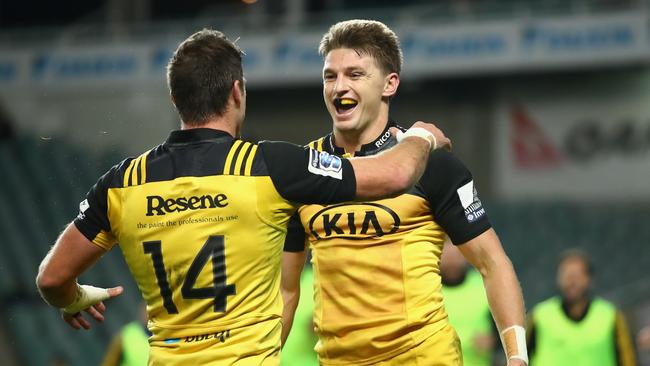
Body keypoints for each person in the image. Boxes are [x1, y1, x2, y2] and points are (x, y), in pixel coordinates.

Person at [35, 29, 452, 366]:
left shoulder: (123, 182)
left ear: (175, 99)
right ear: (237, 92)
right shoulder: (270, 165)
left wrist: (75, 298)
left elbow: (52, 279)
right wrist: (420, 136)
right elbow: (394, 174)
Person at [281, 19, 527, 366]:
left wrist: (517, 357)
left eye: (355, 74)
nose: (339, 87)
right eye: (330, 76)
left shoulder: (434, 165)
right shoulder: (302, 169)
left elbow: (492, 263)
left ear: (389, 83)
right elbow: (287, 289)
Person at [527, 249, 637, 366]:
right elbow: (517, 358)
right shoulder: (539, 316)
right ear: (558, 279)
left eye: (577, 275)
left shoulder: (610, 316)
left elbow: (628, 360)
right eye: (566, 275)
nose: (572, 281)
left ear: (589, 279)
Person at [441, 239, 497, 366]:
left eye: (456, 256)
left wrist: (493, 341)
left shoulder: (485, 285)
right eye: (447, 256)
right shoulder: (426, 290)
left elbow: (507, 329)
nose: (452, 263)